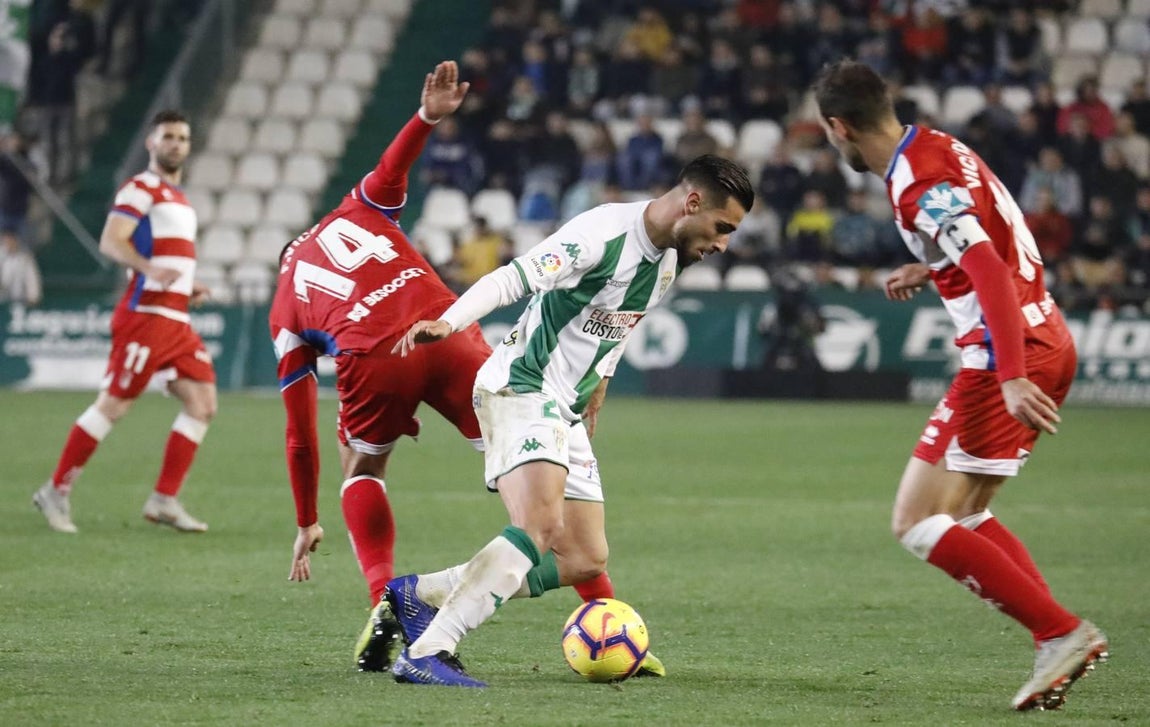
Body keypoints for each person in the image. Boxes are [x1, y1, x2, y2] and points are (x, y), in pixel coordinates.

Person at [270, 61, 665, 678]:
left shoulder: (284, 308)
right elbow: (392, 169)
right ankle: (605, 617)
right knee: (546, 470)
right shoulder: (356, 211)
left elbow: (299, 435)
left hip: (375, 358)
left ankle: (387, 595)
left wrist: (305, 520)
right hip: (446, 329)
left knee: (364, 465)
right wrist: (427, 116)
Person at [386, 153, 753, 687]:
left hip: (565, 406)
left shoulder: (669, 262)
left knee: (583, 556)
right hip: (521, 386)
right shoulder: (601, 234)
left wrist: (599, 382)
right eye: (722, 228)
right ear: (692, 202)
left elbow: (618, 326)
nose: (724, 244)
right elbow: (514, 279)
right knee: (540, 527)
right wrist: (450, 321)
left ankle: (419, 593)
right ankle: (430, 649)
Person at [812, 60, 1108, 712]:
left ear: (839, 126)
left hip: (1007, 351)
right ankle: (1055, 636)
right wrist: (929, 266)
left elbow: (992, 271)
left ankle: (1062, 631)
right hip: (1047, 331)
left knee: (915, 519)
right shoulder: (938, 146)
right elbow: (986, 235)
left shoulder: (916, 183)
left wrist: (1008, 378)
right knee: (968, 512)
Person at [33, 110, 213, 534]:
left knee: (202, 404)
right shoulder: (141, 189)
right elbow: (112, 241)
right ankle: (55, 490)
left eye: (183, 138)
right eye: (167, 136)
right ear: (151, 143)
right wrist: (149, 270)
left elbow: (170, 256)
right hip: (145, 317)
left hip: (175, 318)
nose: (175, 144)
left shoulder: (179, 198)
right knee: (113, 405)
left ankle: (164, 499)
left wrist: (187, 284)